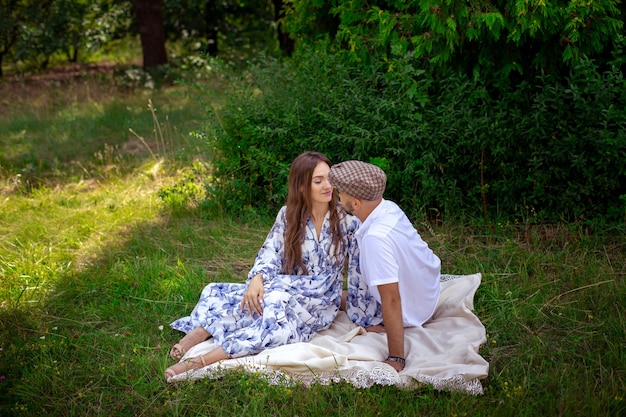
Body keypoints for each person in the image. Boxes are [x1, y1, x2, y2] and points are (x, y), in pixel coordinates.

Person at [165, 151, 361, 379]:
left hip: (319, 301)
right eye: (318, 181)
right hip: (287, 286)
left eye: (330, 179)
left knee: (273, 320)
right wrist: (257, 277)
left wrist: (365, 313)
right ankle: (203, 330)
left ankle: (202, 359)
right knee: (241, 296)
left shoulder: (347, 220)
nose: (328, 186)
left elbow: (358, 272)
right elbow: (271, 251)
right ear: (300, 186)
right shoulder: (289, 215)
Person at [328, 160, 441, 372]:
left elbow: (391, 298)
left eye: (340, 193)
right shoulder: (387, 208)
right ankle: (361, 310)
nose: (338, 197)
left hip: (413, 309)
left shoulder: (375, 239)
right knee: (333, 293)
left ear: (357, 203)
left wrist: (396, 357)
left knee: (328, 297)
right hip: (427, 290)